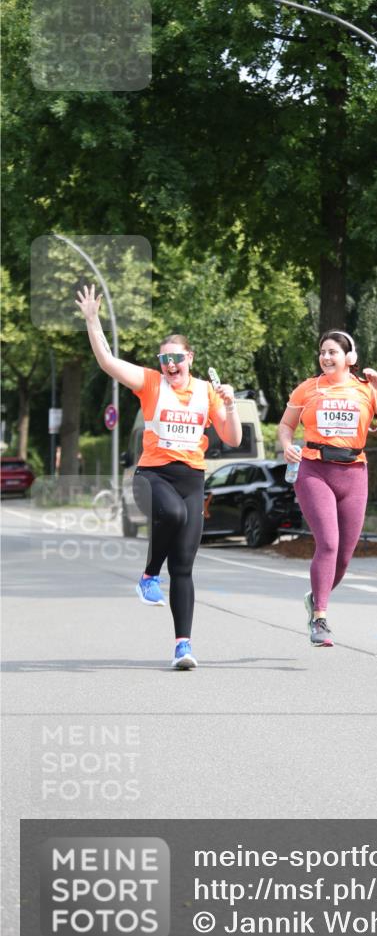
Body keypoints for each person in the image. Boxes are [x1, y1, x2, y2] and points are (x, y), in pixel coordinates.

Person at [76, 283, 241, 670]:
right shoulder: (151, 382)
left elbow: (232, 438)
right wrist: (92, 320)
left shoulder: (207, 392)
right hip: (151, 477)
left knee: (184, 566)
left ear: (190, 357)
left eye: (177, 358)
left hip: (192, 479)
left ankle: (182, 646)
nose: (170, 365)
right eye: (165, 358)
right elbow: (108, 362)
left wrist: (231, 405)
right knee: (175, 516)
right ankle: (149, 575)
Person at [278, 330, 377, 646]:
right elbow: (286, 425)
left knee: (345, 557)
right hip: (315, 470)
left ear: (350, 358)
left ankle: (316, 595)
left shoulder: (366, 390)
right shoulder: (308, 389)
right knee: (329, 544)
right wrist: (286, 445)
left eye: (333, 352)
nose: (326, 357)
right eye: (323, 352)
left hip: (354, 474)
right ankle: (320, 618)